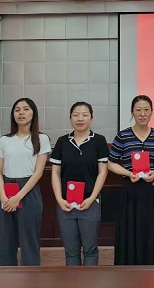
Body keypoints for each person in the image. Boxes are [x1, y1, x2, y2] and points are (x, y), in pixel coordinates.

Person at [108, 95, 154, 265]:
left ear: (152, 112)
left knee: (151, 231)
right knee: (130, 230)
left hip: (151, 190)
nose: (142, 114)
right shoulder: (123, 136)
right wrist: (128, 174)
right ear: (132, 112)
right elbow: (111, 163)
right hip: (131, 190)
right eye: (138, 110)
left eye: (146, 110)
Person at [50, 101, 109, 266]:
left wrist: (92, 198)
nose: (80, 118)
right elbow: (55, 173)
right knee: (71, 251)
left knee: (90, 250)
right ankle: (73, 279)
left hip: (90, 202)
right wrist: (59, 199)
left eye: (84, 115)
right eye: (76, 115)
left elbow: (103, 172)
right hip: (66, 204)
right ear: (70, 118)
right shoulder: (62, 142)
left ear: (91, 118)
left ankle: (89, 280)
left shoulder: (99, 141)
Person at [0, 97, 51, 266]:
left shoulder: (41, 139)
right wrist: (3, 197)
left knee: (29, 241)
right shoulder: (5, 140)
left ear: (33, 113)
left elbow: (38, 172)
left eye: (26, 109)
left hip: (28, 191)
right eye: (17, 110)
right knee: (6, 241)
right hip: (6, 190)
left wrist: (18, 197)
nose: (21, 113)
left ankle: (31, 277)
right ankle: (6, 277)